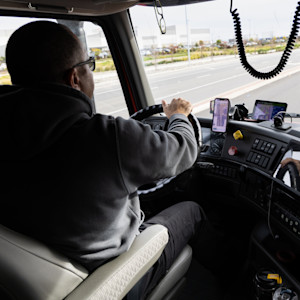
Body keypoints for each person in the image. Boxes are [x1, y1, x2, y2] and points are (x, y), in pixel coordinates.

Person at [0, 21, 215, 299]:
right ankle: (233, 281)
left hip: (45, 272)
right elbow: (184, 149)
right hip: (111, 275)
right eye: (89, 64)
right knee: (192, 210)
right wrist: (178, 116)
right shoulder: (107, 136)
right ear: (74, 78)